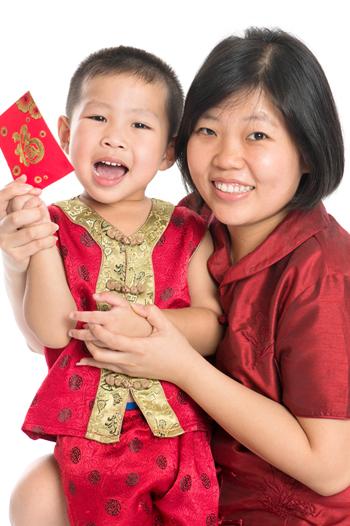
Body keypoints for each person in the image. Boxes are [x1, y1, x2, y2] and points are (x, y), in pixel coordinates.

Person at [2, 26, 350, 525]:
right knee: (36, 493)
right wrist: (22, 260)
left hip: (272, 507)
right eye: (208, 130)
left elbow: (330, 468)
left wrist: (180, 364)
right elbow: (52, 339)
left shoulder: (325, 277)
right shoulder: (196, 217)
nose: (227, 157)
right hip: (162, 462)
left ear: (308, 151)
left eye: (257, 135)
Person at [0, 46, 221, 525]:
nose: (115, 139)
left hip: (178, 432)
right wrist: (39, 242)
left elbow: (211, 324)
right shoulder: (54, 224)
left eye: (139, 125)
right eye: (98, 118)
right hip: (88, 436)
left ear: (167, 152)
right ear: (64, 134)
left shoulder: (188, 230)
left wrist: (143, 327)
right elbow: (54, 333)